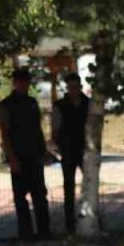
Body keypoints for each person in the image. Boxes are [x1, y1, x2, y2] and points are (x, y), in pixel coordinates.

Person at [0, 67, 52, 241]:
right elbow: (4, 133)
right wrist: (11, 158)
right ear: (15, 83)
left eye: (26, 82)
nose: (24, 85)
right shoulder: (6, 105)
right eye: (20, 82)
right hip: (18, 155)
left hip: (34, 154)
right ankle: (26, 233)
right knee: (20, 197)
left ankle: (44, 231)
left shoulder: (32, 103)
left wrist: (43, 151)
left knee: (40, 195)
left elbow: (38, 129)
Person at [51, 73, 89, 232]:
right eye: (71, 87)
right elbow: (55, 128)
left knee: (89, 182)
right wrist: (58, 146)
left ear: (80, 87)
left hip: (85, 149)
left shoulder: (88, 104)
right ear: (67, 88)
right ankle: (69, 222)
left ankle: (90, 216)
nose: (73, 90)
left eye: (76, 87)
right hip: (67, 149)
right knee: (68, 185)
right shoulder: (60, 105)